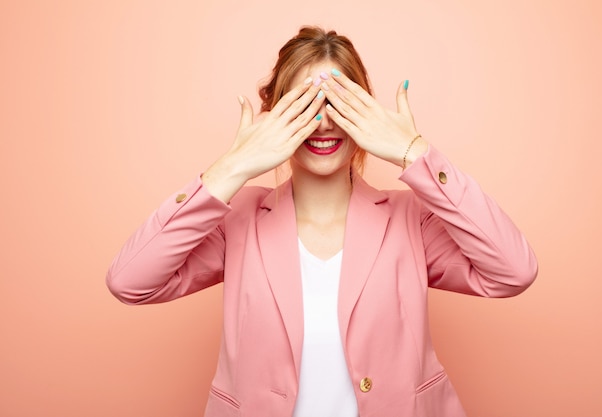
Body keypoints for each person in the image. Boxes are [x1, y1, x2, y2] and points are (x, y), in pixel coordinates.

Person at [106, 26, 538, 417]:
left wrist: (415, 153)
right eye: (305, 105)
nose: (325, 122)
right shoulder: (239, 220)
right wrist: (232, 167)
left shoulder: (412, 219)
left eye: (340, 102)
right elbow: (130, 281)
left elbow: (514, 271)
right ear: (273, 114)